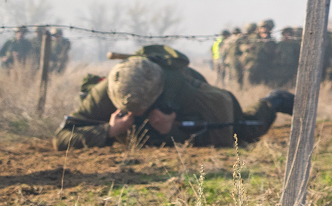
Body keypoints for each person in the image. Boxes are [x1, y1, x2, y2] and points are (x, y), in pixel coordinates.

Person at [55, 45, 293, 150]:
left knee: (246, 132)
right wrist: (108, 131)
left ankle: (275, 100)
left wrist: (172, 130)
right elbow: (62, 139)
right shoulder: (106, 90)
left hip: (200, 108)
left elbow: (222, 140)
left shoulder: (184, 88)